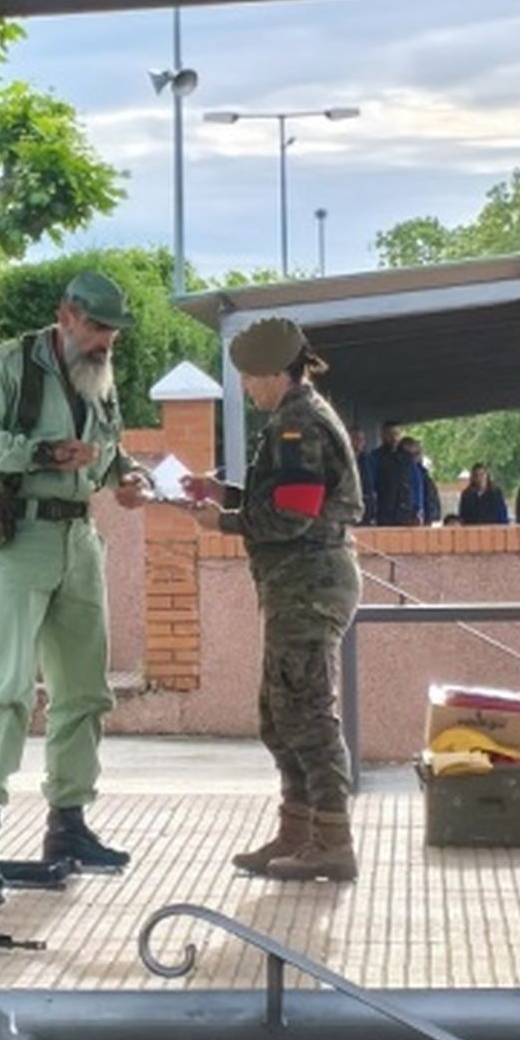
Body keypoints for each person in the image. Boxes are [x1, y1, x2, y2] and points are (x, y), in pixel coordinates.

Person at [0, 270, 149, 875]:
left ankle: (68, 824)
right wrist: (40, 452)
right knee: (8, 688)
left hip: (79, 538)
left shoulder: (100, 374)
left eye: (112, 332)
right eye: (96, 328)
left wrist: (126, 477)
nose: (105, 342)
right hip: (19, 539)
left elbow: (110, 446)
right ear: (67, 316)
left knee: (85, 692)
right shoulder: (7, 365)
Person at [185, 315, 363, 884]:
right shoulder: (296, 418)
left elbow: (293, 513)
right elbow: (288, 494)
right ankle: (297, 832)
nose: (245, 388)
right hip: (296, 587)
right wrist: (224, 493)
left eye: (249, 378)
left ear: (273, 373)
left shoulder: (299, 425)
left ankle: (332, 841)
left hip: (308, 587)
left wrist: (224, 521)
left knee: (307, 715)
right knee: (279, 715)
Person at [399, 435, 440, 526]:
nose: (419, 456)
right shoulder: (410, 470)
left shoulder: (422, 473)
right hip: (413, 516)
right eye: (416, 453)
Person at [348, 426, 377, 526]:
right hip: (347, 506)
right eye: (356, 438)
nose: (360, 442)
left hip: (366, 507)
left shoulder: (369, 460)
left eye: (362, 439)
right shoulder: (341, 458)